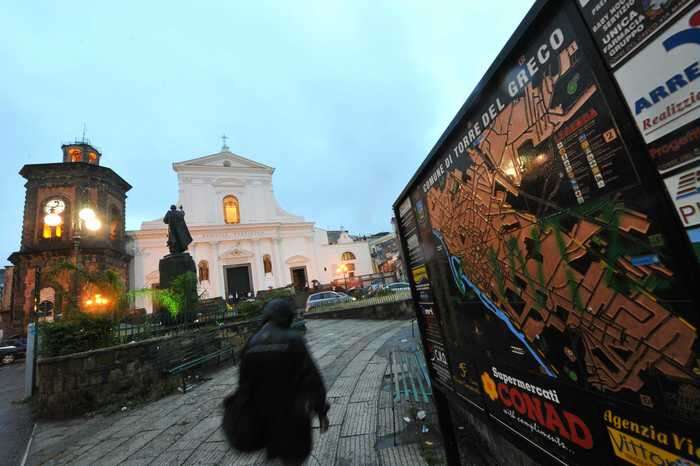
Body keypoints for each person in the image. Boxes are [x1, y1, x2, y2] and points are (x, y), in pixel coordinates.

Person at [223, 299, 329, 465]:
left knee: (276, 456)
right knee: (294, 458)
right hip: (294, 416)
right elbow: (313, 381)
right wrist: (321, 411)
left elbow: (244, 388)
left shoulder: (251, 344)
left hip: (265, 419)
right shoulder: (294, 340)